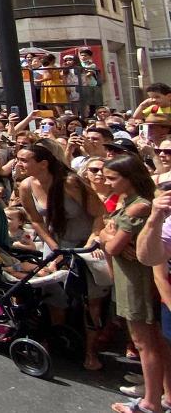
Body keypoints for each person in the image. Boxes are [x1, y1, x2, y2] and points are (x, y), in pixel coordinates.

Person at [97, 154, 165, 413]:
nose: (107, 182)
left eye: (112, 178)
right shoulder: (129, 201)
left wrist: (108, 236)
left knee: (145, 342)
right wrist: (107, 234)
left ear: (130, 178)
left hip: (136, 279)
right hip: (127, 276)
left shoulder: (138, 205)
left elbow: (113, 245)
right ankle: (162, 396)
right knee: (151, 342)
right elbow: (106, 233)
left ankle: (150, 402)